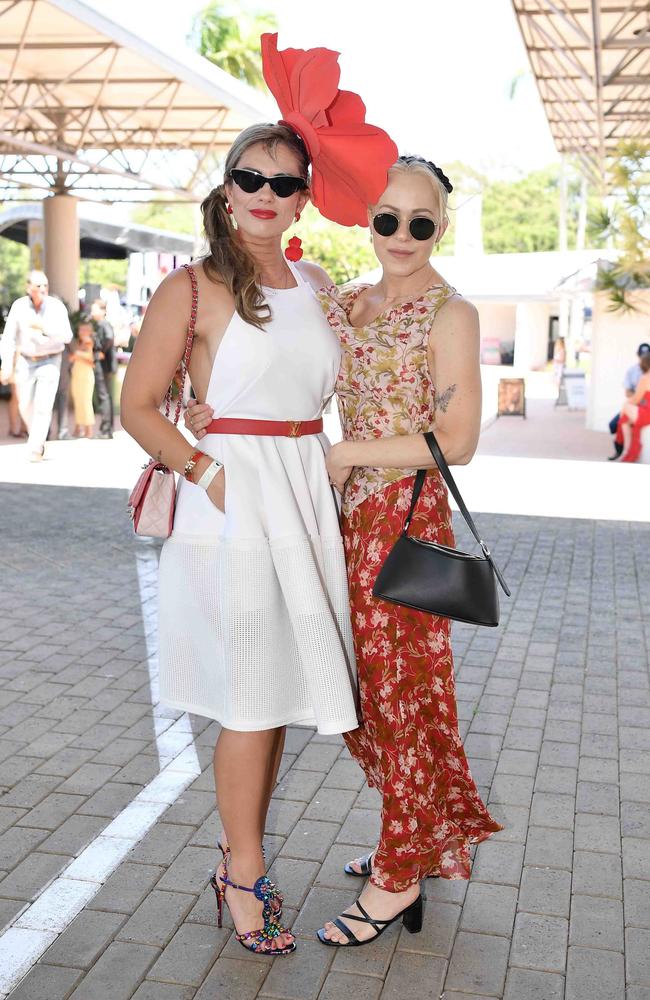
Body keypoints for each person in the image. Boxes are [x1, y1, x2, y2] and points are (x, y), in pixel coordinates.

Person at [121, 32, 397, 957]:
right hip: (233, 500)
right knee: (248, 697)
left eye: (286, 183)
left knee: (273, 695)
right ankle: (242, 870)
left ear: (305, 195)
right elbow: (137, 406)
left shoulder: (321, 283)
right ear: (227, 184)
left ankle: (241, 855)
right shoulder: (190, 288)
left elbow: (379, 352)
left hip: (304, 495)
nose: (267, 197)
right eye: (252, 178)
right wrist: (210, 475)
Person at [187, 156, 503, 948]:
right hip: (345, 522)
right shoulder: (347, 303)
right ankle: (416, 836)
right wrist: (203, 405)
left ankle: (400, 877)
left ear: (442, 229)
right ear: (369, 222)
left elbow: (457, 440)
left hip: (403, 520)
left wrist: (352, 453)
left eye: (419, 223)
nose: (402, 235)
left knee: (399, 700)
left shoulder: (449, 312)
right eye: (387, 219)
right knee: (365, 699)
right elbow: (276, 363)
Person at [0, 270, 73, 461]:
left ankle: (35, 446)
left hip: (50, 359)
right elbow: (9, 337)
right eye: (38, 285)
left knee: (43, 405)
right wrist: (6, 364)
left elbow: (67, 336)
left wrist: (45, 328)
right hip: (26, 360)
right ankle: (37, 438)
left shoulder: (56, 307)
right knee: (24, 405)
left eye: (45, 285)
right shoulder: (19, 307)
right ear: (28, 288)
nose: (42, 289)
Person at [608, 342, 650, 459]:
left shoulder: (645, 377)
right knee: (614, 424)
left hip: (642, 408)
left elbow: (636, 398)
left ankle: (626, 452)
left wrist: (627, 405)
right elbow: (628, 393)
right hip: (639, 406)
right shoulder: (632, 371)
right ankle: (624, 451)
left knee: (624, 416)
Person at [90, 298, 116, 438]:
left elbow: (109, 338)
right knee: (106, 396)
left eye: (94, 309)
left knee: (104, 395)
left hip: (103, 365)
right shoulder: (102, 324)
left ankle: (106, 429)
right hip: (106, 364)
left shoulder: (103, 324)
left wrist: (101, 352)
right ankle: (107, 428)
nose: (92, 312)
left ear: (102, 311)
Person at [69, 319, 96, 438]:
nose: (82, 332)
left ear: (90, 331)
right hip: (77, 374)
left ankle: (88, 430)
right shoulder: (78, 343)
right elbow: (71, 358)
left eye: (85, 330)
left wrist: (77, 356)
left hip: (85, 375)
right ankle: (78, 427)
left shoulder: (90, 342)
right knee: (78, 401)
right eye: (81, 329)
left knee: (85, 401)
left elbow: (92, 361)